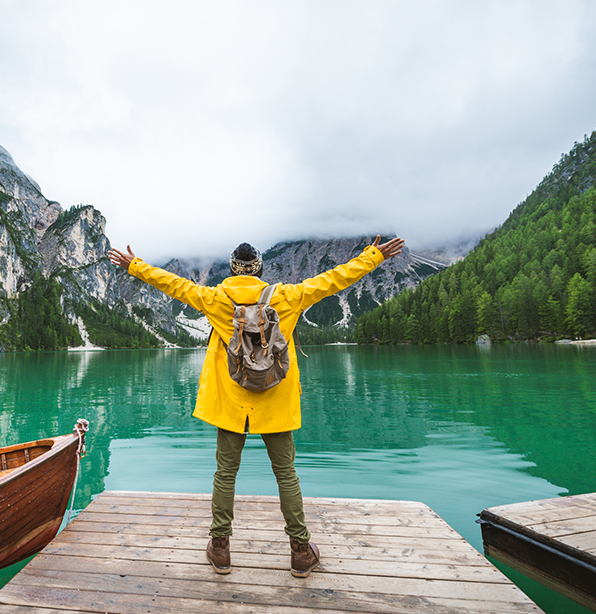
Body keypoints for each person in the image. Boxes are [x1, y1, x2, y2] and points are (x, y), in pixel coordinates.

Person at [107, 235, 405, 577]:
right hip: (275, 402)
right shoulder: (287, 296)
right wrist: (373, 256)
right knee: (286, 475)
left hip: (232, 405)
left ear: (232, 271)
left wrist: (135, 266)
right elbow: (335, 278)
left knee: (225, 474)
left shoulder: (215, 298)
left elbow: (174, 285)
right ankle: (300, 552)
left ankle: (220, 550)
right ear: (260, 269)